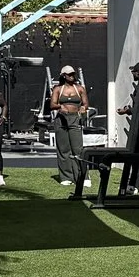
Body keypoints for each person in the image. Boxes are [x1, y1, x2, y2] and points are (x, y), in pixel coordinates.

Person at [48, 64, 91, 198]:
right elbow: (52, 104)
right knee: (63, 149)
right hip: (61, 120)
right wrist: (60, 107)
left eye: (73, 74)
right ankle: (66, 177)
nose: (72, 76)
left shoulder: (80, 88)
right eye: (69, 74)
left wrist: (83, 109)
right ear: (64, 76)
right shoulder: (58, 89)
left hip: (74, 119)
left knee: (78, 149)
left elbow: (85, 104)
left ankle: (83, 176)